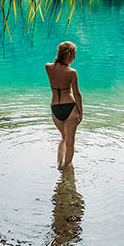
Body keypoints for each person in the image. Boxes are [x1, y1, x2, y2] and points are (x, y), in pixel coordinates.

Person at [45, 41, 83, 169]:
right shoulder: (72, 72)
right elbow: (77, 94)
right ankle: (67, 169)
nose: (74, 58)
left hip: (55, 108)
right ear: (69, 54)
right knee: (70, 142)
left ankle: (59, 164)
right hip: (70, 108)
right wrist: (81, 113)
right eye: (74, 54)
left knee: (63, 137)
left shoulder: (48, 67)